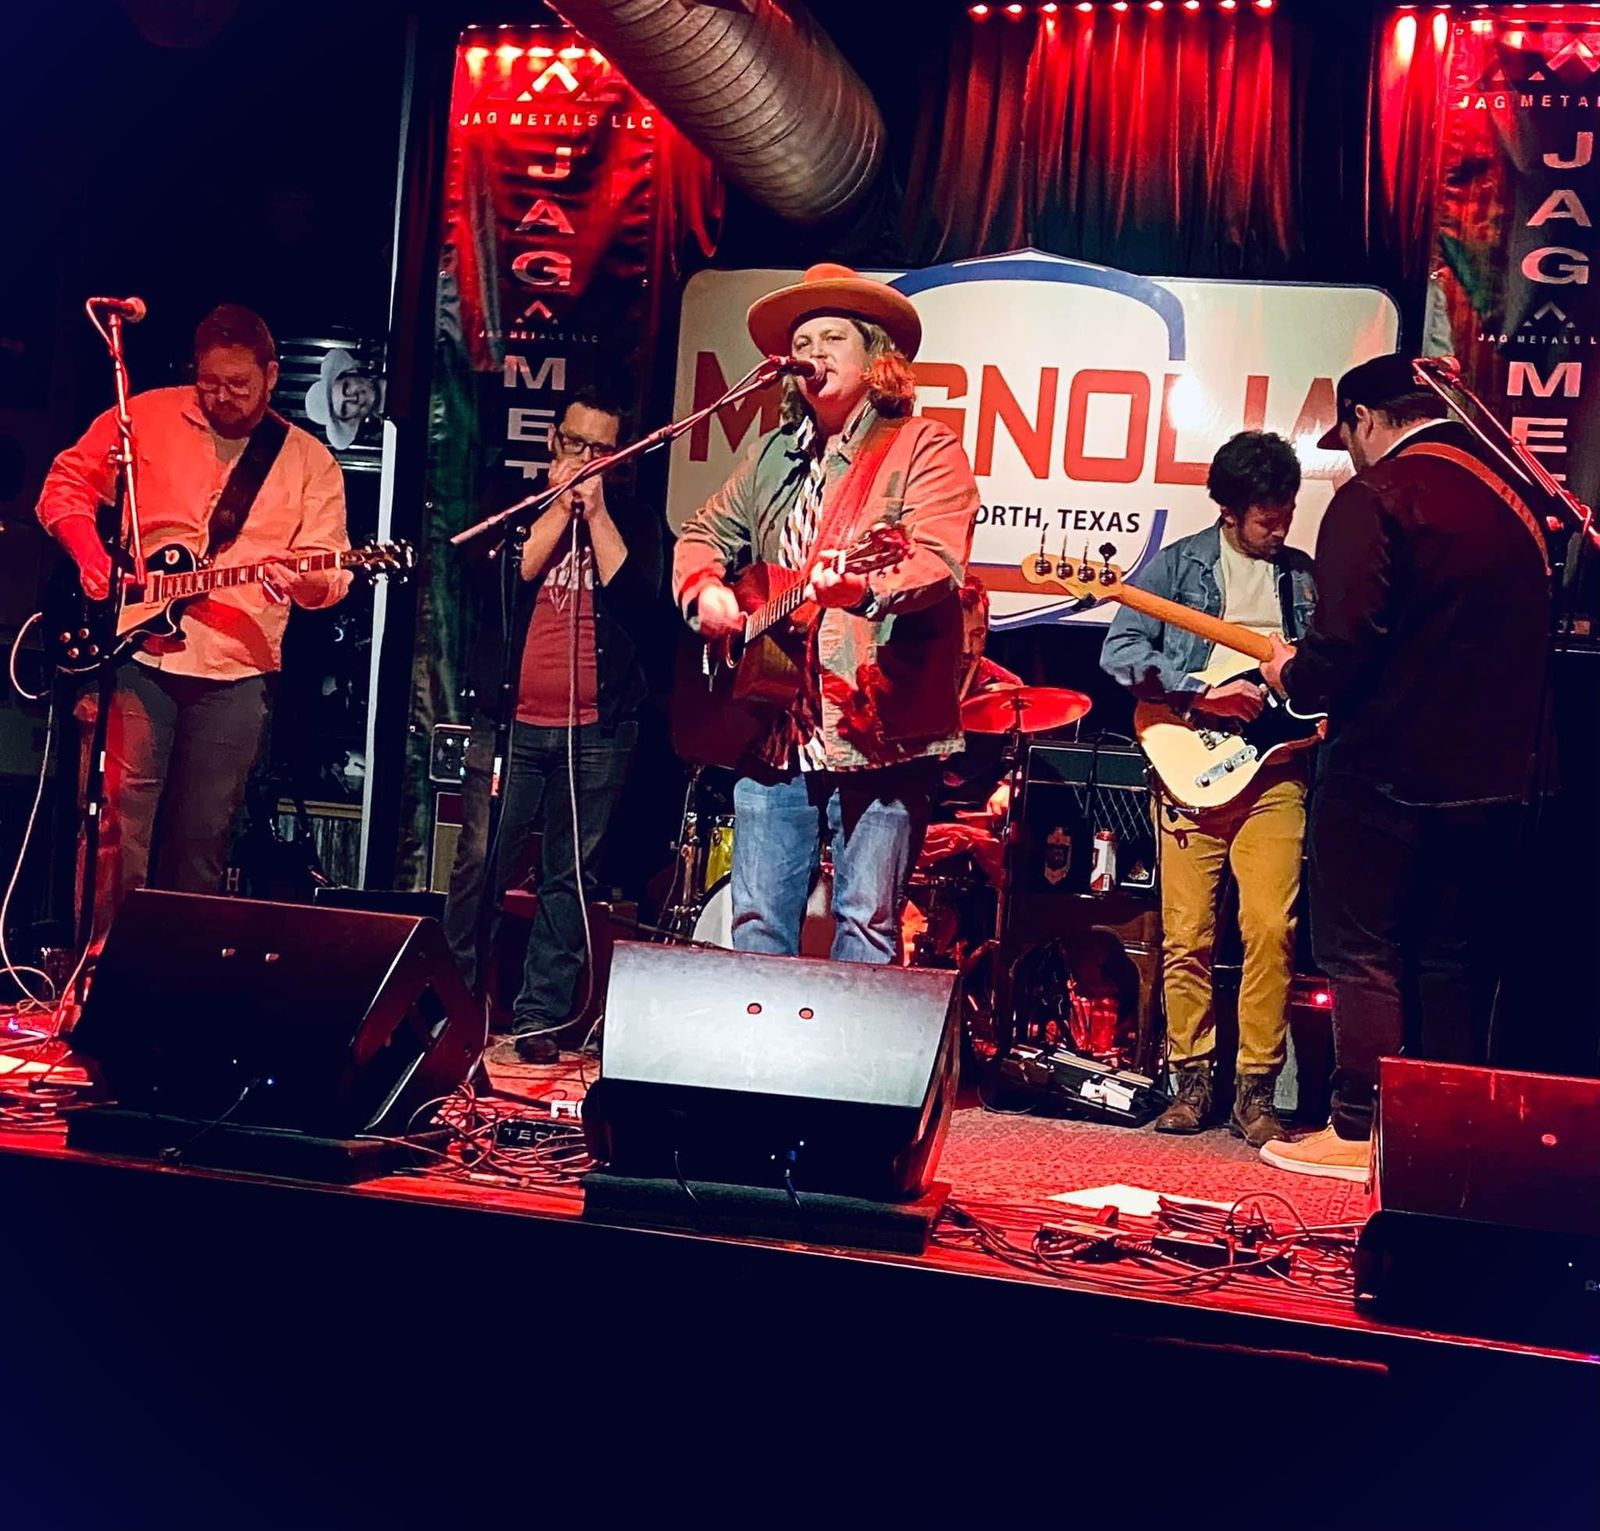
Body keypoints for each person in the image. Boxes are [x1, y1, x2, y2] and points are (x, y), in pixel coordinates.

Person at [1259, 354, 1551, 1181]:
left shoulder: (1376, 495)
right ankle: (1444, 1129)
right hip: (1498, 776)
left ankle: (1358, 1128)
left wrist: (1291, 674)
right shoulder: (1516, 500)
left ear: (1364, 417)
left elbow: (1344, 644)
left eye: (1348, 435)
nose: (1351, 453)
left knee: (1360, 950)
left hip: (1383, 766)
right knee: (1451, 956)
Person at [672, 263, 980, 963]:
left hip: (877, 729)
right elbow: (702, 532)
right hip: (772, 728)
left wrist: (861, 590)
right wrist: (706, 591)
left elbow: (937, 561)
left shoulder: (922, 446)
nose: (813, 352)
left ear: (876, 359)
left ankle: (853, 1044)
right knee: (755, 924)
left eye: (833, 337)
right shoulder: (771, 454)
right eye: (802, 342)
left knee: (867, 924)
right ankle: (755, 1040)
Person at [37, 303, 351, 950]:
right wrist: (91, 557)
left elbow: (332, 573)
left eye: (239, 384)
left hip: (236, 668)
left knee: (202, 840)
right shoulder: (145, 417)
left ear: (271, 375)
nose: (223, 397)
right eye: (210, 382)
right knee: (116, 826)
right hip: (134, 652)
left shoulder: (308, 461)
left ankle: (176, 978)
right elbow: (65, 484)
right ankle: (99, 970)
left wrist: (300, 582)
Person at [1101, 430, 1314, 1146]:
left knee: (1271, 929)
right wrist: (1200, 691)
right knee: (1186, 935)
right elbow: (1120, 650)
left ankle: (1257, 1090)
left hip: (1276, 773)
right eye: (1266, 517)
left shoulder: (1305, 579)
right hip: (1191, 761)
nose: (1279, 528)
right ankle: (1190, 1082)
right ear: (1229, 510)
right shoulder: (1177, 565)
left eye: (1287, 513)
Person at [442, 387, 661, 1065]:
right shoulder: (511, 505)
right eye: (576, 443)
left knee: (570, 875)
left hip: (597, 730)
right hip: (509, 725)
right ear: (552, 440)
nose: (587, 458)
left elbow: (640, 602)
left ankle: (540, 1016)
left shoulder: (635, 519)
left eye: (603, 450)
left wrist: (596, 512)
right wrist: (557, 508)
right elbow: (504, 580)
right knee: (480, 865)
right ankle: (456, 1007)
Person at [304, 347, 384, 451]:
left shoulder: (394, 357)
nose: (354, 398)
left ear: (351, 373)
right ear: (352, 421)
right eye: (345, 408)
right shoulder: (392, 434)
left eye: (346, 388)